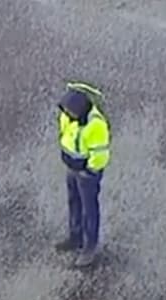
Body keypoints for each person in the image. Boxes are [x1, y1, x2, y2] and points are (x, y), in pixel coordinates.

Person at [54, 81, 111, 269]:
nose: (67, 115)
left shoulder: (96, 125)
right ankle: (75, 237)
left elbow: (100, 154)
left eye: (71, 112)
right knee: (74, 203)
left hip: (87, 173)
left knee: (89, 210)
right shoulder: (67, 115)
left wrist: (89, 171)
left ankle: (89, 248)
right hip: (72, 167)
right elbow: (65, 134)